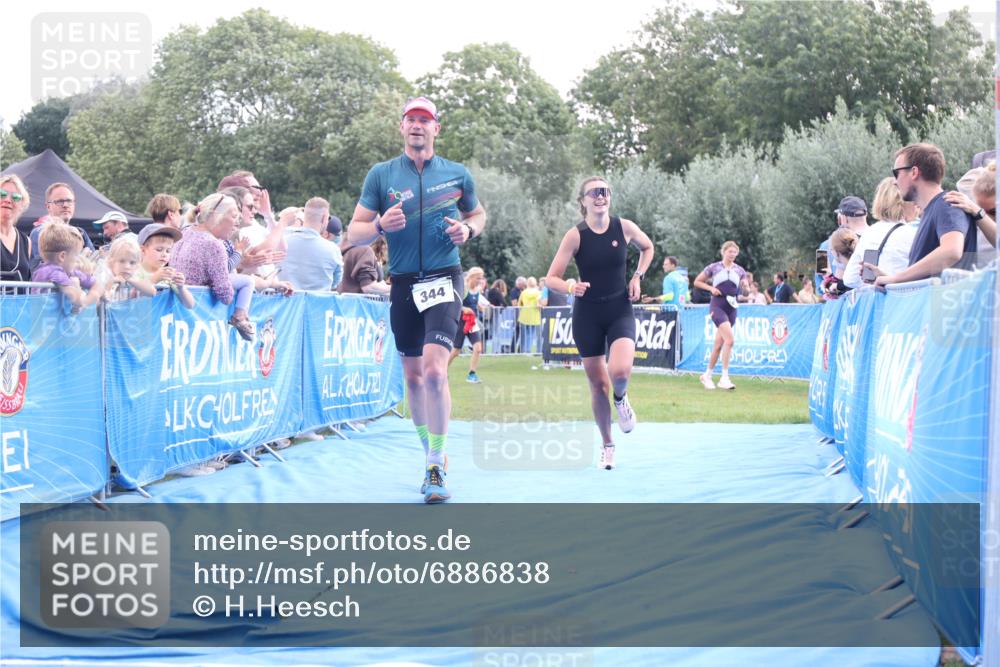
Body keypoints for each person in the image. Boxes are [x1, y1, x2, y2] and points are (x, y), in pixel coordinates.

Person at [346, 95, 486, 504]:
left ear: (436, 128)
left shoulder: (457, 174)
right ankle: (431, 451)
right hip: (404, 282)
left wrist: (469, 231)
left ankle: (436, 463)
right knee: (412, 377)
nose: (418, 126)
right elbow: (353, 233)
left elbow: (478, 215)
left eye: (425, 120)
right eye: (411, 119)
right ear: (402, 127)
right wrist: (377, 225)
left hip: (445, 277)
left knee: (435, 371)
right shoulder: (382, 175)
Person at [546, 176, 654, 470]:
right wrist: (570, 288)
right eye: (593, 193)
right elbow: (551, 277)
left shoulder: (625, 227)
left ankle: (622, 399)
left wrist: (637, 277)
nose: (600, 196)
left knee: (619, 372)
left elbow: (648, 248)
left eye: (605, 191)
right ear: (583, 201)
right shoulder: (575, 235)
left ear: (610, 197)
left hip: (620, 308)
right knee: (597, 385)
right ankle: (607, 445)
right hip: (587, 315)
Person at [873, 143, 978, 287]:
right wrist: (892, 280)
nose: (895, 182)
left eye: (896, 173)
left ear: (914, 172)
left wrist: (896, 278)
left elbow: (952, 251)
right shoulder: (935, 209)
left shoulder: (947, 203)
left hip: (945, 306)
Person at [170, 193, 262, 341]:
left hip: (177, 316)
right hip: (196, 321)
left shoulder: (185, 232)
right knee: (247, 281)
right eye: (233, 216)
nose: (236, 223)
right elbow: (225, 296)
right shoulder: (213, 244)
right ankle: (240, 317)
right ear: (214, 215)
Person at [842, 178, 918, 289]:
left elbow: (849, 279)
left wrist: (871, 281)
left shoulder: (869, 234)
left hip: (878, 302)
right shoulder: (913, 233)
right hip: (907, 300)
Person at [693, 241, 749, 391]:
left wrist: (746, 288)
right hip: (717, 305)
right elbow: (697, 282)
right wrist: (711, 288)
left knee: (718, 345)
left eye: (735, 252)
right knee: (730, 340)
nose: (733, 254)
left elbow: (746, 291)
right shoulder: (714, 267)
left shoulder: (740, 270)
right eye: (730, 251)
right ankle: (724, 378)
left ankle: (707, 375)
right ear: (723, 252)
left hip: (732, 307)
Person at [31, 223, 105, 310]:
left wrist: (90, 297)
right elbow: (77, 299)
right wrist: (79, 289)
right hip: (43, 321)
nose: (78, 259)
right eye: (76, 255)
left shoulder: (70, 271)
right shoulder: (51, 271)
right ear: (62, 256)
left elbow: (98, 284)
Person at [279, 197, 344, 291]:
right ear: (325, 218)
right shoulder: (333, 250)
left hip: (285, 303)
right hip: (318, 304)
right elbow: (335, 282)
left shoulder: (282, 241)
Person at [30, 183, 94, 268]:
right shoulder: (40, 233)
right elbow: (45, 269)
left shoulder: (81, 233)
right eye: (59, 201)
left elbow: (94, 263)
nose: (65, 205)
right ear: (48, 206)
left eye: (69, 201)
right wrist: (81, 258)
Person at [946, 163, 997, 268]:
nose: (988, 218)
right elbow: (962, 183)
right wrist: (991, 171)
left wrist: (979, 212)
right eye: (982, 209)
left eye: (994, 212)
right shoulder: (978, 204)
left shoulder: (979, 213)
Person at [135, 223, 195, 308]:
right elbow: (132, 298)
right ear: (143, 250)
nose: (164, 254)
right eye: (159, 249)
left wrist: (181, 287)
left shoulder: (168, 274)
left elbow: (189, 305)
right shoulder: (134, 271)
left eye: (168, 251)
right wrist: (154, 280)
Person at [448, 267, 488, 383]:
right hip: (461, 322)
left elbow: (474, 302)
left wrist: (480, 307)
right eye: (478, 278)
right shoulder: (463, 288)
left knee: (478, 349)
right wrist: (464, 309)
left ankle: (472, 374)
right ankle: (442, 371)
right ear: (471, 277)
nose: (480, 281)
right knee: (456, 351)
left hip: (472, 322)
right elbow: (454, 304)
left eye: (481, 278)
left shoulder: (478, 289)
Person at [98, 236, 157, 302]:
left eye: (132, 263)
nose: (127, 266)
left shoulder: (135, 277)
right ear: (111, 263)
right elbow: (101, 298)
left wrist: (130, 280)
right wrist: (111, 283)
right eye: (122, 261)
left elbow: (152, 292)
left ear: (137, 265)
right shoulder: (105, 276)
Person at [0, 175, 32, 284]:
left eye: (16, 197)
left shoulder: (26, 241)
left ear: (22, 203)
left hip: (21, 301)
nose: (8, 200)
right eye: (2, 194)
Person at [822, 228, 859, 299]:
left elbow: (847, 285)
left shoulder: (850, 275)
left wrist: (829, 278)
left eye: (831, 250)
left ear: (836, 252)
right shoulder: (860, 265)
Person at [516, 276, 542, 352]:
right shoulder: (538, 293)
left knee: (524, 335)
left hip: (524, 316)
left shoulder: (523, 292)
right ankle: (536, 350)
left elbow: (519, 304)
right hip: (535, 316)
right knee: (535, 335)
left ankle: (524, 350)